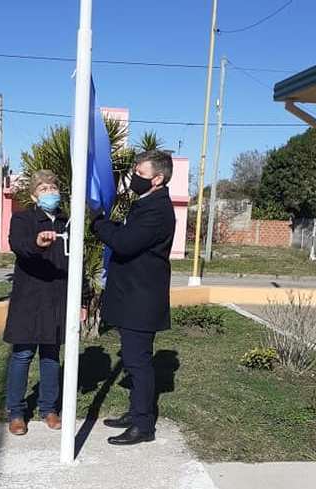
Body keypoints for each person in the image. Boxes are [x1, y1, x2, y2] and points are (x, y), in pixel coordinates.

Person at [91, 150, 176, 445]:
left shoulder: (158, 210)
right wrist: (110, 221)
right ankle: (136, 412)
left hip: (142, 299)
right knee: (132, 359)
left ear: (158, 178)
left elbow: (125, 243)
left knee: (138, 363)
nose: (134, 179)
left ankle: (144, 426)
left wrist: (98, 224)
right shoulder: (142, 202)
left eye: (140, 174)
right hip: (131, 296)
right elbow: (122, 228)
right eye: (134, 172)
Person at [3, 170, 87, 435]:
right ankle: (16, 412)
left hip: (58, 298)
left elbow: (79, 264)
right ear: (33, 195)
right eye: (43, 189)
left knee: (51, 355)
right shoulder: (23, 219)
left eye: (52, 187)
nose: (49, 192)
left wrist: (82, 300)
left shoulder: (68, 222)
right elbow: (19, 245)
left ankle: (49, 409)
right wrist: (37, 243)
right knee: (23, 355)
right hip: (29, 299)